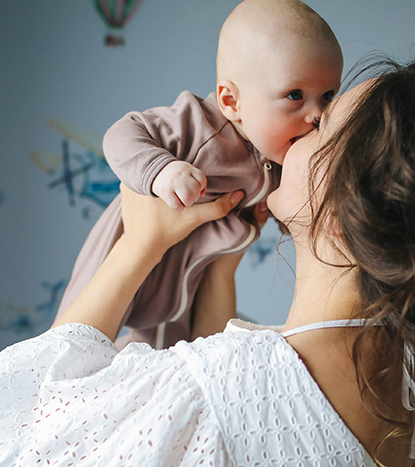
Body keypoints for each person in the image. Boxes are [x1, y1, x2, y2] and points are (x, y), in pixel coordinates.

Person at [0, 57, 415, 467]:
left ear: (339, 212)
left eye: (324, 127)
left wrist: (138, 243)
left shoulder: (215, 393)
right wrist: (220, 266)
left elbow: (4, 437)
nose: (300, 128)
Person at [54, 0, 343, 350]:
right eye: (295, 95)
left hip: (188, 280)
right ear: (231, 101)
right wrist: (161, 170)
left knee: (166, 357)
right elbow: (122, 133)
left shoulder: (281, 155)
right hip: (129, 247)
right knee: (71, 345)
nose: (316, 115)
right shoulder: (199, 125)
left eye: (327, 97)